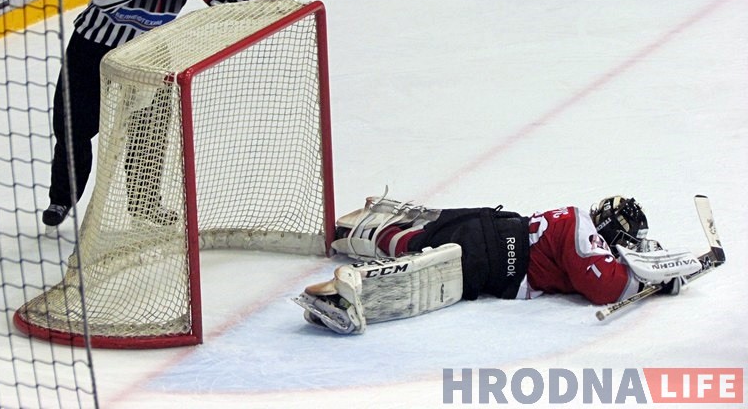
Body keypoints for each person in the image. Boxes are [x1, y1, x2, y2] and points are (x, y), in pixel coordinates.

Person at [43, 0, 278, 228]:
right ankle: (61, 200)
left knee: (149, 133)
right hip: (91, 49)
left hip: (148, 55)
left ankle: (145, 205)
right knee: (72, 128)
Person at [294, 193, 702, 334]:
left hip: (485, 225)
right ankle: (350, 289)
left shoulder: (573, 222)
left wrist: (654, 277)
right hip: (490, 259)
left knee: (420, 238)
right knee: (423, 275)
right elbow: (605, 287)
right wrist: (658, 278)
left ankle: (361, 233)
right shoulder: (581, 227)